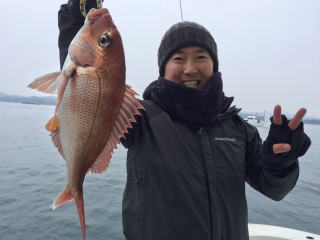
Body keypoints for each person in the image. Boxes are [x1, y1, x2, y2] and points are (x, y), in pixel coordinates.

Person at [58, 1, 311, 239]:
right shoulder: (140, 119)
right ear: (163, 69)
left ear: (214, 65)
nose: (190, 68)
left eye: (201, 57)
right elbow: (87, 95)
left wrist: (280, 161)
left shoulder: (239, 129)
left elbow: (274, 188)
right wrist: (76, 14)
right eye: (178, 59)